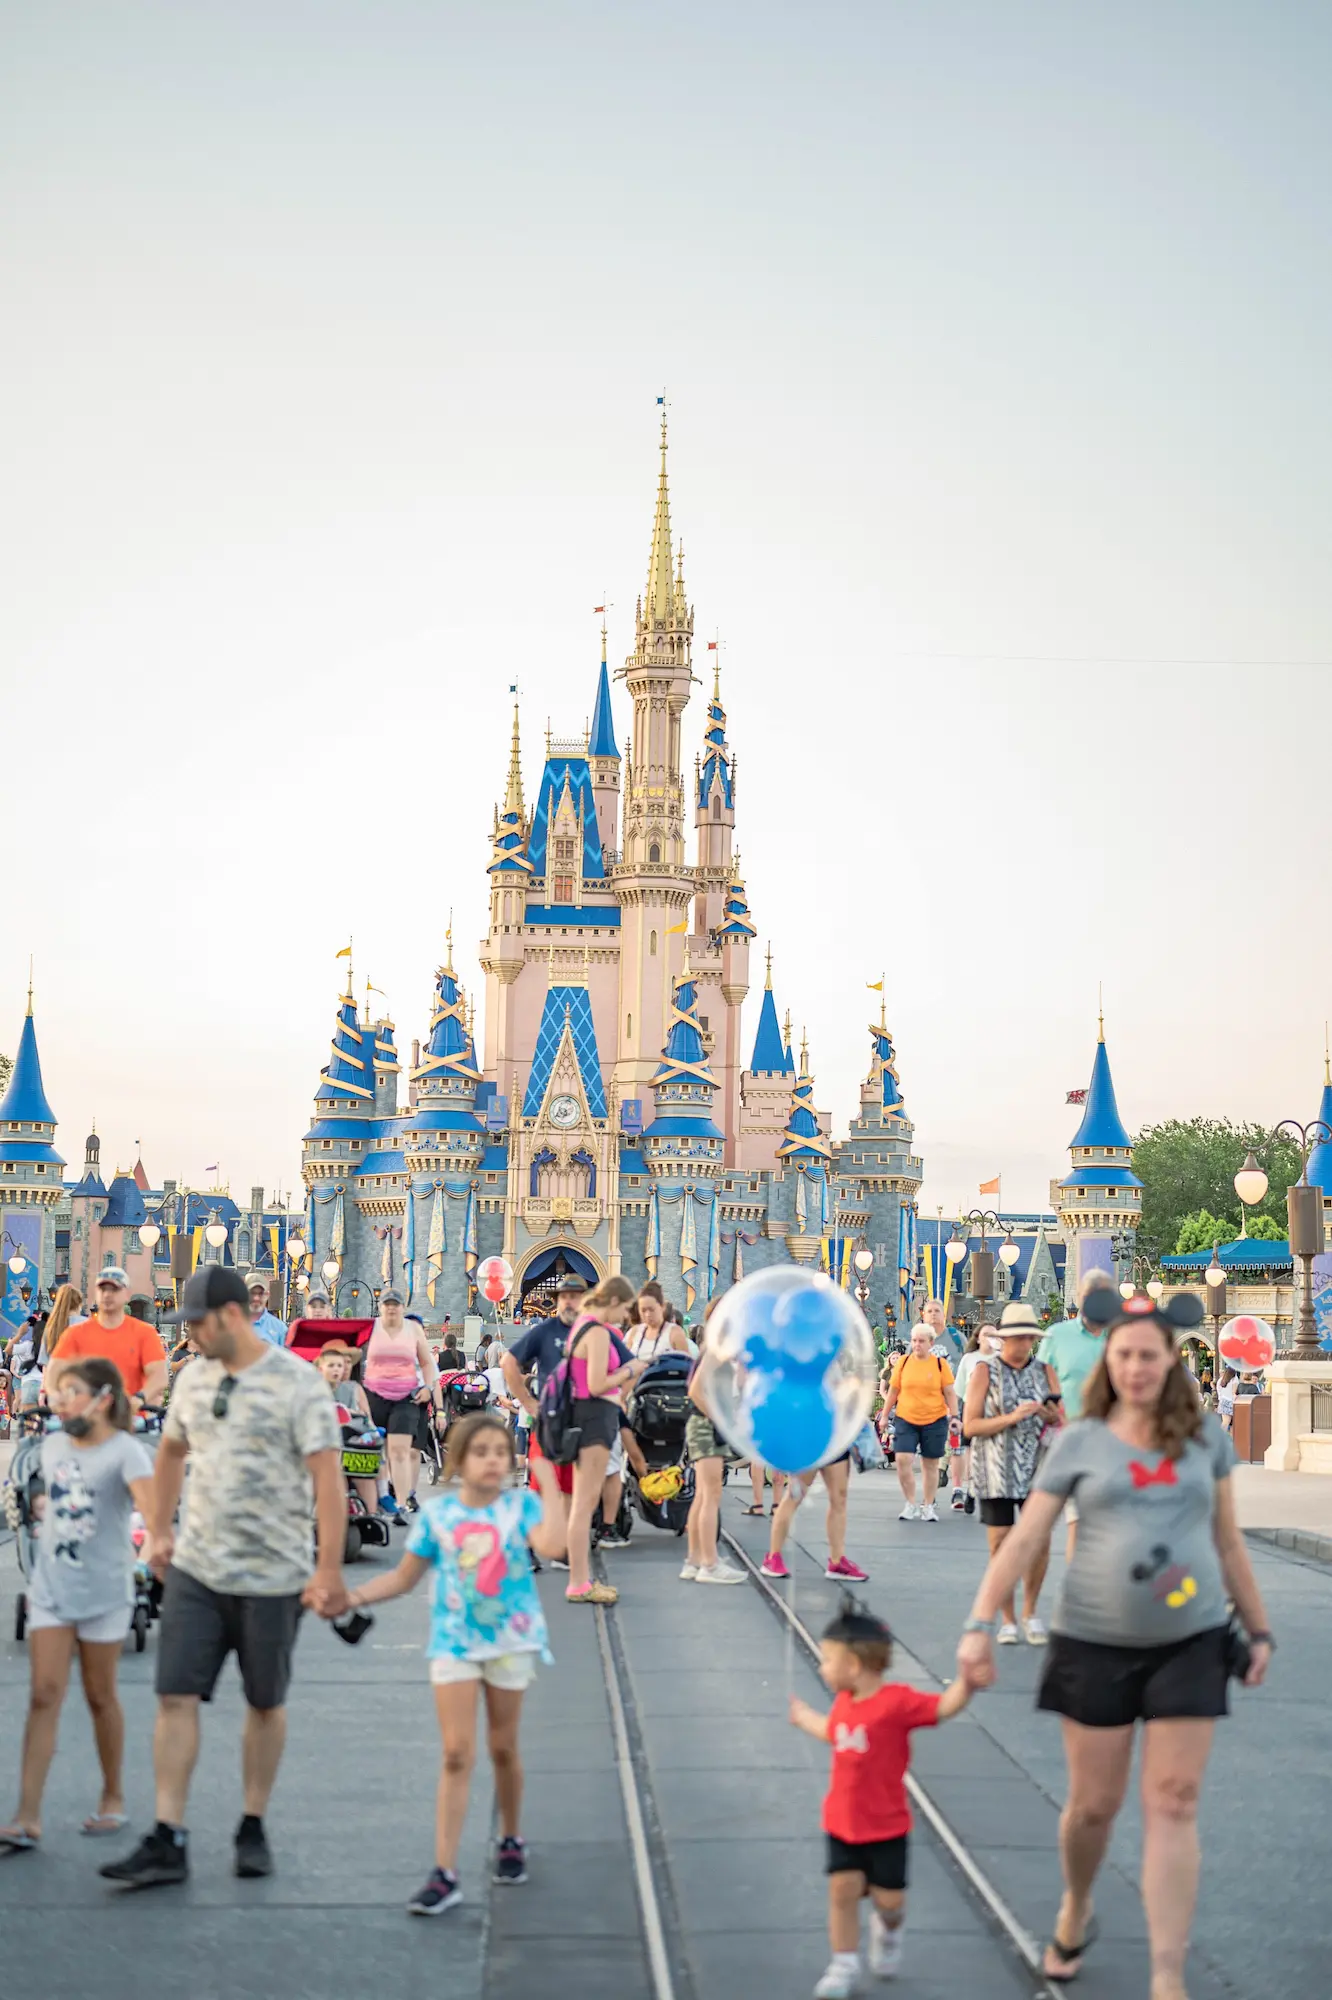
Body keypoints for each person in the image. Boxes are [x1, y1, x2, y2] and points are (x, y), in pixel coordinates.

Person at [956, 1290, 1274, 1995]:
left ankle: (1167, 1973)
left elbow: (1227, 1540)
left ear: (1171, 1361)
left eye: (1149, 1356)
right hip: (1093, 1641)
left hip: (1191, 1640)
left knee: (1174, 1800)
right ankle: (1077, 1902)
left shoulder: (1205, 1440)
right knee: (1093, 1808)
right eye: (1124, 1354)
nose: (1136, 1367)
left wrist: (1258, 1628)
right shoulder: (1081, 1441)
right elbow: (1028, 1538)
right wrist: (981, 1624)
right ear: (1111, 1361)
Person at [100, 1264, 344, 1890]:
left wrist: (327, 1570)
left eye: (198, 1325)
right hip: (197, 1569)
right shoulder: (193, 1378)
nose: (191, 1336)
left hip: (273, 1573)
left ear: (232, 1317)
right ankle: (168, 1833)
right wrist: (158, 1531)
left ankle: (252, 1823)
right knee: (174, 1695)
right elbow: (172, 1453)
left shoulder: (298, 1383)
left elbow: (327, 1479)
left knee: (265, 1702)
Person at [322, 1411, 565, 1914]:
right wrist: (352, 1597)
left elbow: (553, 1546)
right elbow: (405, 1579)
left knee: (503, 1747)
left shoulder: (521, 1507)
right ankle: (445, 1871)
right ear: (459, 1460)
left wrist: (549, 1486)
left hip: (509, 1641)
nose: (493, 1461)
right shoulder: (439, 1515)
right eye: (482, 1452)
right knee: (456, 1753)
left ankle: (511, 1838)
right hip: (454, 1643)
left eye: (501, 1452)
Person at [0, 1358, 155, 1851]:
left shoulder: (126, 1453)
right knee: (44, 1694)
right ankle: (27, 1816)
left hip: (106, 1591)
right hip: (51, 1588)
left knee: (99, 1695)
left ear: (102, 1400)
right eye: (58, 1394)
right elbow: (45, 1499)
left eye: (71, 1393)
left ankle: (113, 1797)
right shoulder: (49, 1448)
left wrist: (153, 1557)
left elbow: (153, 1515)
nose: (60, 1402)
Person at [790, 1598, 972, 1998]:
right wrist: (806, 1720)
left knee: (889, 1901)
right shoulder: (844, 1702)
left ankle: (888, 1931)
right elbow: (837, 1734)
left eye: (826, 1660)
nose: (821, 1668)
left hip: (886, 1826)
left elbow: (942, 1707)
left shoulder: (897, 1704)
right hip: (842, 1821)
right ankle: (843, 1962)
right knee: (842, 1890)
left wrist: (967, 1684)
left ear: (853, 1666)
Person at [963, 1302, 1063, 1645]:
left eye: (1029, 1338)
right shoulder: (984, 1371)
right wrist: (1012, 1417)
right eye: (1017, 1338)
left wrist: (1050, 1416)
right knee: (1002, 1544)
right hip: (995, 1468)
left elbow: (1059, 1415)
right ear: (1004, 1339)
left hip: (1037, 1467)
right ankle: (1007, 1619)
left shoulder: (1045, 1370)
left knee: (1038, 1542)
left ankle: (1030, 1612)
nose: (1023, 1345)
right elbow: (970, 1425)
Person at [558, 1275, 650, 1605]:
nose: (626, 1316)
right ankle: (579, 1583)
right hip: (594, 1420)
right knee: (584, 1506)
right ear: (613, 1302)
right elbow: (597, 1384)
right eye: (625, 1308)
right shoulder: (596, 1332)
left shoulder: (581, 1324)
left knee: (581, 1506)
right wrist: (630, 1370)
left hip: (586, 1417)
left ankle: (581, 1580)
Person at [500, 1274, 590, 1563]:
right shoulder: (545, 1331)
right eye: (564, 1297)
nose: (569, 1302)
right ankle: (527, 1544)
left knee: (570, 1488)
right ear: (557, 1301)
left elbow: (623, 1363)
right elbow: (508, 1362)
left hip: (582, 1420)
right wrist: (527, 1402)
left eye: (575, 1296)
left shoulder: (593, 1332)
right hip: (549, 1420)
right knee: (541, 1484)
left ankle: (561, 1545)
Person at [1037, 1279, 1118, 1557]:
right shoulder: (1057, 1336)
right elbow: (1041, 1383)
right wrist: (1055, 1416)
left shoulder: (1120, 1337)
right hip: (1064, 1438)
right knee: (1067, 1521)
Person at [681, 1305, 746, 1584]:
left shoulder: (714, 1346)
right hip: (706, 1427)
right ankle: (709, 1564)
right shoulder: (715, 1348)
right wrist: (720, 1419)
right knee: (710, 1496)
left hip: (701, 1425)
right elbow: (695, 1390)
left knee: (701, 1496)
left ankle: (695, 1560)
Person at [45, 1268, 167, 1413]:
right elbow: (53, 1371)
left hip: (129, 1418)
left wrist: (140, 1398)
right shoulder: (76, 1334)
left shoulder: (144, 1333)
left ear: (127, 1294)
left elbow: (159, 1375)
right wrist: (56, 1396)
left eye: (114, 1289)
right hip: (87, 1418)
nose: (107, 1294)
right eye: (102, 1289)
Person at [362, 1290, 439, 1520]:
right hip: (375, 1394)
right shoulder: (370, 1328)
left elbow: (426, 1363)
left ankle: (402, 1503)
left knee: (400, 1451)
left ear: (402, 1308)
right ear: (380, 1306)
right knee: (378, 1450)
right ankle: (381, 1496)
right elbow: (353, 1355)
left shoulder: (413, 1329)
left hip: (406, 1396)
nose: (391, 1308)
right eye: (387, 1304)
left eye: (396, 1304)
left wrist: (427, 1387)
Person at [879, 1322, 957, 1521]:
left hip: (934, 1419)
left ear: (930, 1343)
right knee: (902, 1459)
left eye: (921, 1341)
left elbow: (949, 1392)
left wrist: (955, 1417)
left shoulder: (940, 1365)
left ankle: (928, 1505)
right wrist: (885, 1415)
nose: (917, 1344)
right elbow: (893, 1391)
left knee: (930, 1464)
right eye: (914, 1340)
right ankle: (910, 1503)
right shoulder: (904, 1363)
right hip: (906, 1418)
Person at [315, 1343, 380, 1519]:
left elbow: (366, 1418)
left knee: (363, 1473)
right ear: (321, 1369)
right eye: (331, 1366)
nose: (336, 1370)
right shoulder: (314, 1390)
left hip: (350, 1441)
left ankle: (371, 1514)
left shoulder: (352, 1388)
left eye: (339, 1366)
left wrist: (359, 1417)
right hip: (325, 1442)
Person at [947, 1327, 991, 1513]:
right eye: (986, 1334)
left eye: (993, 1334)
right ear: (978, 1338)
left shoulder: (1002, 1358)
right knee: (972, 1453)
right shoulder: (969, 1359)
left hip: (994, 1410)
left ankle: (978, 1491)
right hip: (971, 1409)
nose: (990, 1338)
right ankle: (971, 1491)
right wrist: (955, 1415)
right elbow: (959, 1389)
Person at [243, 1275, 288, 1349]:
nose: (256, 1298)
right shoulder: (233, 1324)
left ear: (267, 1295)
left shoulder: (280, 1328)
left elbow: (286, 1357)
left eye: (260, 1294)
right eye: (252, 1293)